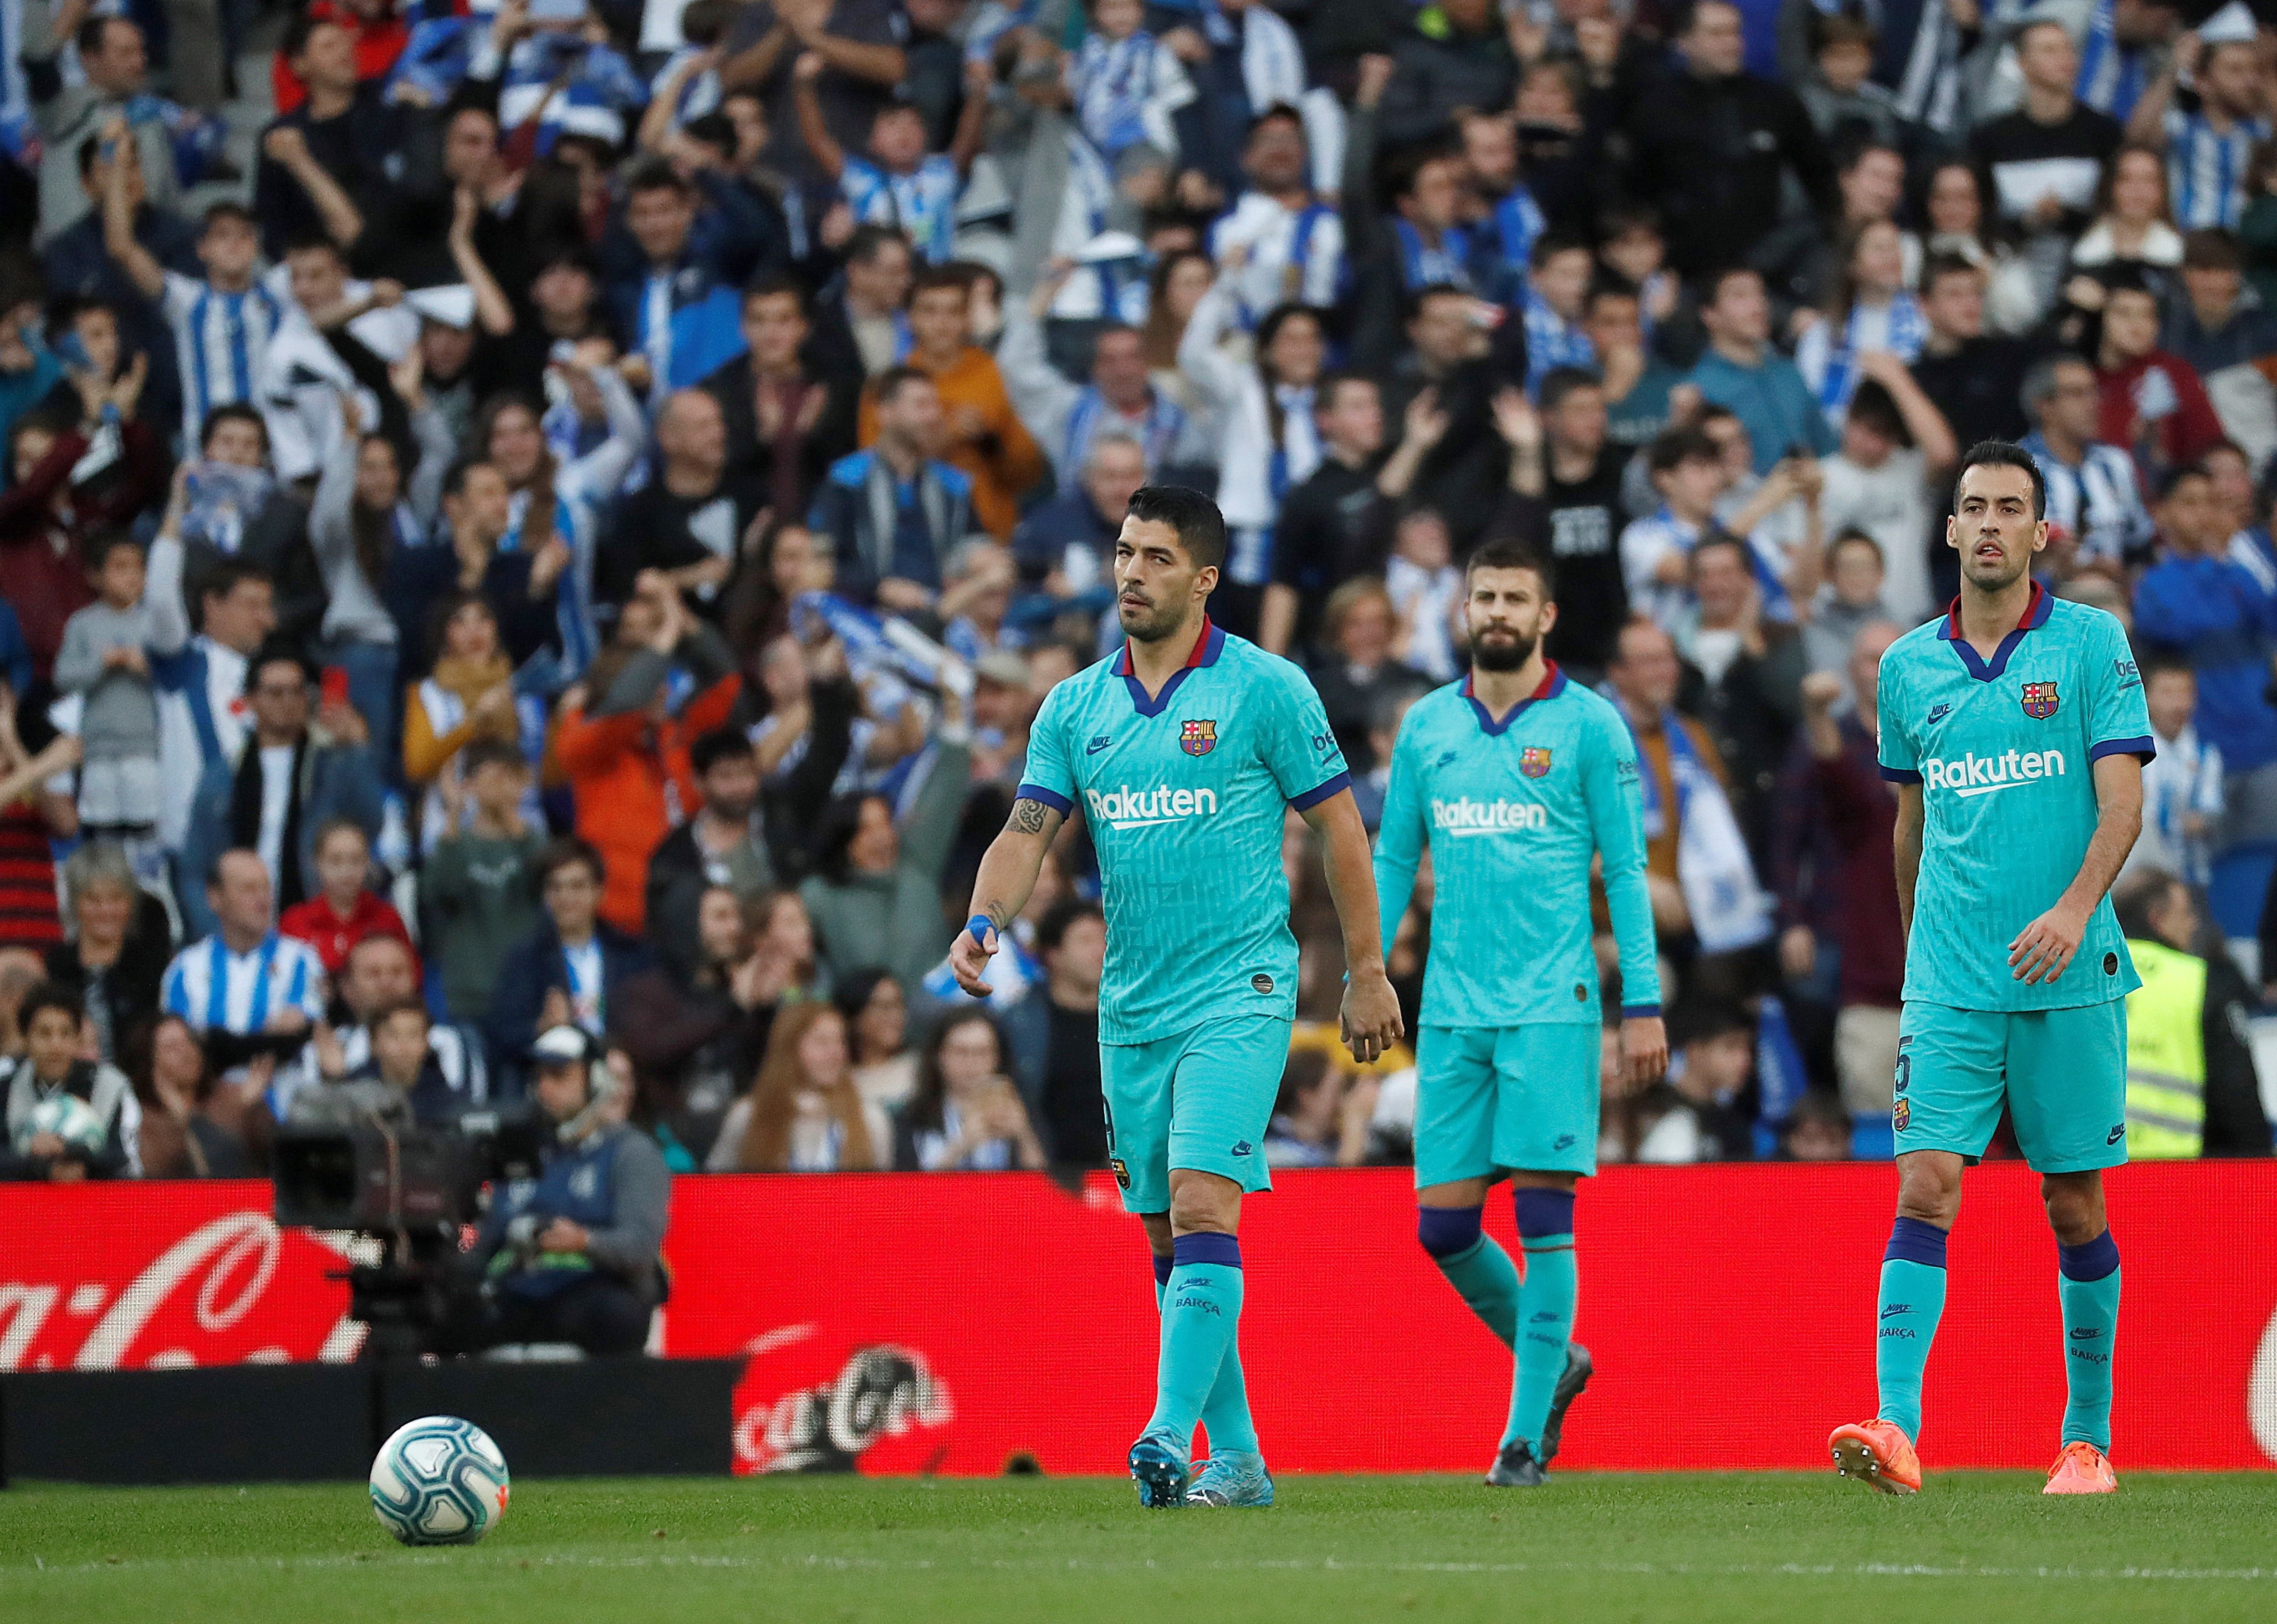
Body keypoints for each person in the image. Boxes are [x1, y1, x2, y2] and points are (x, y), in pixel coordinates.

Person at [951, 483, 1403, 1509]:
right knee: (1164, 1233)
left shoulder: (1266, 688)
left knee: (1205, 1198)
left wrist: (1366, 969)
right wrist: (985, 922)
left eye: (1155, 558)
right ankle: (1235, 1459)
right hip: (1132, 1004)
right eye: (1122, 552)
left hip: (1240, 987)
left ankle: (1163, 1429)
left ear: (1203, 579)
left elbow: (1338, 829)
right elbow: (1026, 833)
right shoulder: (1075, 705)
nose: (1129, 573)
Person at [1832, 440, 2155, 1499]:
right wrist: (1921, 944)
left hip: (2069, 973)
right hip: (1952, 981)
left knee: (2073, 1205)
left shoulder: (2088, 645)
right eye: (1971, 508)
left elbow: (2122, 803)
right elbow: (1908, 822)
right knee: (1924, 1184)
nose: (1987, 526)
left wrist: (2072, 907)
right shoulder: (1908, 666)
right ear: (1948, 528)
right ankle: (1895, 1425)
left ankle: (2086, 1438)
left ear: (2039, 532)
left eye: (2008, 509)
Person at [1370, 538, 1665, 1487]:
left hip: (1553, 1001)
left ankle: (1523, 1436)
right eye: (1482, 596)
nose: (1495, 611)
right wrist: (1366, 970)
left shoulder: (1590, 726)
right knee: (1443, 1229)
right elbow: (1388, 860)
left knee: (1544, 1215)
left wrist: (1645, 1001)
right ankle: (1560, 1363)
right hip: (1452, 1008)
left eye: (1513, 598)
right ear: (1466, 611)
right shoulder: (1424, 728)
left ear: (1545, 617)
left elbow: (1624, 870)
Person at [463, 1025, 669, 1355]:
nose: (544, 1088)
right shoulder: (521, 1151)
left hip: (591, 1291)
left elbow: (640, 1246)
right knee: (450, 1312)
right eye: (539, 1077)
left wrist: (585, 1241)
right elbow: (484, 1245)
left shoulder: (632, 1152)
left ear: (597, 1082)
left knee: (616, 1315)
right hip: (520, 1292)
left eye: (559, 1076)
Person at [1791, 628, 1906, 1151]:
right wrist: (1816, 714)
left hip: (1948, 1001)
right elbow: (1832, 776)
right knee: (1873, 1144)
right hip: (1873, 996)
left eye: (1889, 657)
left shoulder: (1948, 755)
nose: (1879, 669)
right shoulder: (1863, 810)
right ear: (1850, 667)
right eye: (1868, 658)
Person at [2115, 867, 2272, 1159]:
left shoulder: (2078, 981)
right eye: (2186, 912)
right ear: (2157, 919)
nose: (2193, 923)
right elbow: (2237, 1099)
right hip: (2175, 1177)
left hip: (2084, 1173)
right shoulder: (2199, 982)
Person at [161, 848, 330, 1114]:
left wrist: (218, 1041)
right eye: (249, 890)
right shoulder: (186, 968)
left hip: (287, 1109)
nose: (263, 900)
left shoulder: (301, 960)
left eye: (265, 888)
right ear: (215, 898)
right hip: (208, 1109)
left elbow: (296, 1036)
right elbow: (182, 1045)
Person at [485, 837, 655, 1090]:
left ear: (600, 891)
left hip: (624, 1074)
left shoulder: (632, 953)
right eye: (556, 888)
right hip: (557, 1078)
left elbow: (652, 1023)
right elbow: (503, 1033)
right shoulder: (525, 959)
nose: (566, 898)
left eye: (577, 887)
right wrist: (543, 1028)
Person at [807, 366, 973, 613]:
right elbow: (821, 563)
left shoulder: (954, 485)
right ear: (885, 414)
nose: (933, 416)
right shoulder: (847, 480)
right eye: (921, 406)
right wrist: (880, 587)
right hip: (865, 615)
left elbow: (971, 545)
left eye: (934, 405)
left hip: (941, 614)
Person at [424, 739, 544, 1029]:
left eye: (508, 778)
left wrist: (506, 812)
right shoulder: (456, 844)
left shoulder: (532, 841)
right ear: (470, 783)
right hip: (467, 996)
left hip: (525, 993)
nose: (499, 786)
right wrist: (453, 812)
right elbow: (437, 893)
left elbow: (542, 880)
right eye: (491, 777)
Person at [54, 534, 160, 847]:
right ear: (95, 575)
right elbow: (63, 677)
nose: (132, 576)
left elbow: (175, 680)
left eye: (138, 567)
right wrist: (101, 663)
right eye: (120, 567)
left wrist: (146, 667)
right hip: (98, 750)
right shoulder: (82, 624)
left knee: (148, 833)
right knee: (103, 834)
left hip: (146, 749)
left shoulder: (154, 623)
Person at [706, 999, 889, 1172]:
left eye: (840, 1042)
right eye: (821, 1042)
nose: (836, 1053)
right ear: (789, 1049)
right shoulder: (748, 1115)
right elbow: (712, 1190)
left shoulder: (870, 1118)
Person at [1688, 267, 1838, 479]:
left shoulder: (1789, 372)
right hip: (1743, 505)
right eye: (1740, 296)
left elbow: (1828, 448)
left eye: (1760, 294)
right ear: (1710, 314)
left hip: (1811, 496)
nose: (1757, 306)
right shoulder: (1699, 387)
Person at [2020, 352, 2154, 570]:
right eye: (2077, 394)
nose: (2092, 404)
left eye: (2094, 393)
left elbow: (2140, 544)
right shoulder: (2017, 469)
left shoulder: (2116, 464)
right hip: (2047, 594)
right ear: (2044, 406)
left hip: (2116, 592)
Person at [0, 983, 139, 1180]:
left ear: (77, 1040)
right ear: (27, 1038)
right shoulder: (5, 1087)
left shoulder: (110, 1087)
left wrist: (75, 1154)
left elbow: (126, 1159)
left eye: (66, 1034)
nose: (55, 1046)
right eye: (44, 1033)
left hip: (98, 1204)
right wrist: (31, 1155)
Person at [44, 841, 167, 1064]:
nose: (106, 910)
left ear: (130, 902)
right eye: (93, 899)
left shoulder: (149, 961)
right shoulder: (56, 965)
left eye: (116, 898)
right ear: (75, 903)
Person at [895, 1006, 1047, 1171]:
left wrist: (1023, 1136)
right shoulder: (913, 1117)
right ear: (939, 1056)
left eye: (982, 1052)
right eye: (961, 1052)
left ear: (998, 1058)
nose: (972, 1063)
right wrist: (963, 1145)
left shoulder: (1024, 1111)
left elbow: (1046, 1183)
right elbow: (908, 1188)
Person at [2124, 658, 2221, 889]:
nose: (2178, 704)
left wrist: (2202, 822)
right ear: (2146, 697)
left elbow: (2213, 813)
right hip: (2136, 881)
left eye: (2185, 693)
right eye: (2168, 693)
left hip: (2190, 880)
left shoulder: (2205, 755)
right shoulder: (2129, 754)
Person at [278, 818, 414, 980]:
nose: (346, 871)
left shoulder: (388, 918)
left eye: (356, 860)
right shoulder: (295, 922)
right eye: (335, 861)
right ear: (317, 863)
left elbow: (411, 978)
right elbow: (280, 981)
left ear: (368, 862)